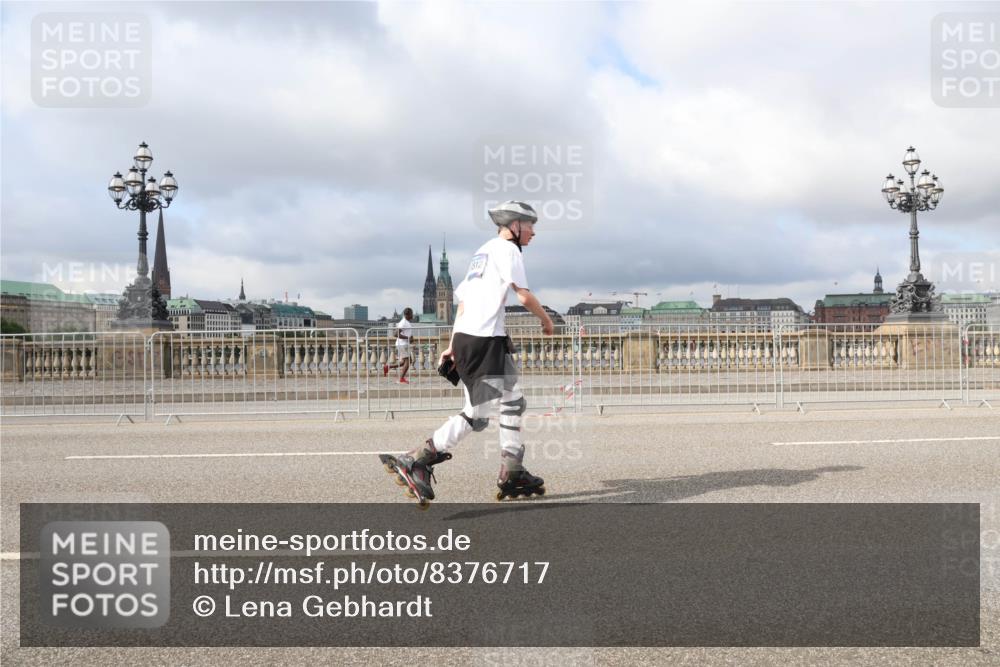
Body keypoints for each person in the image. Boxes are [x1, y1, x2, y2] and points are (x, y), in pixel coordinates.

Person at [385, 201, 554, 503]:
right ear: (514, 226)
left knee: (513, 399)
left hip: (477, 338)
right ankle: (418, 459)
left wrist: (452, 343)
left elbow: (461, 302)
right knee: (477, 415)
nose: (533, 232)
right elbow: (524, 296)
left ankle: (513, 468)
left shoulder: (483, 252)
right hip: (484, 340)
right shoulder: (508, 251)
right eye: (530, 225)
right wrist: (546, 320)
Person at [383, 308, 413, 384]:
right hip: (402, 344)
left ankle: (388, 367)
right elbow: (395, 334)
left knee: (404, 362)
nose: (412, 315)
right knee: (408, 361)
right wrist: (408, 338)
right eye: (411, 314)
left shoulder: (406, 322)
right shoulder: (403, 323)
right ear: (408, 314)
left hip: (403, 344)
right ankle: (401, 379)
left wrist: (409, 338)